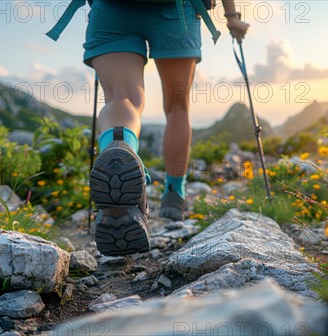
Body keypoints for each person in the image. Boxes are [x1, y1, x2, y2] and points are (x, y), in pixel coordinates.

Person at [83, 0, 249, 256]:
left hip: (113, 10)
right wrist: (232, 16)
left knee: (122, 98)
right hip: (177, 10)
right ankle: (174, 193)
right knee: (177, 107)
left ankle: (119, 145)